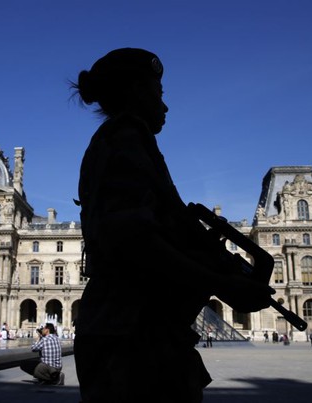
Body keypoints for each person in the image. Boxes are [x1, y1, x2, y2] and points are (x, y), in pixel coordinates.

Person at [71, 48, 274, 403]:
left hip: (137, 330)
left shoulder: (127, 140)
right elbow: (133, 239)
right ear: (135, 91)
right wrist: (221, 282)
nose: (164, 106)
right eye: (158, 94)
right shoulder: (125, 137)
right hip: (133, 335)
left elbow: (144, 230)